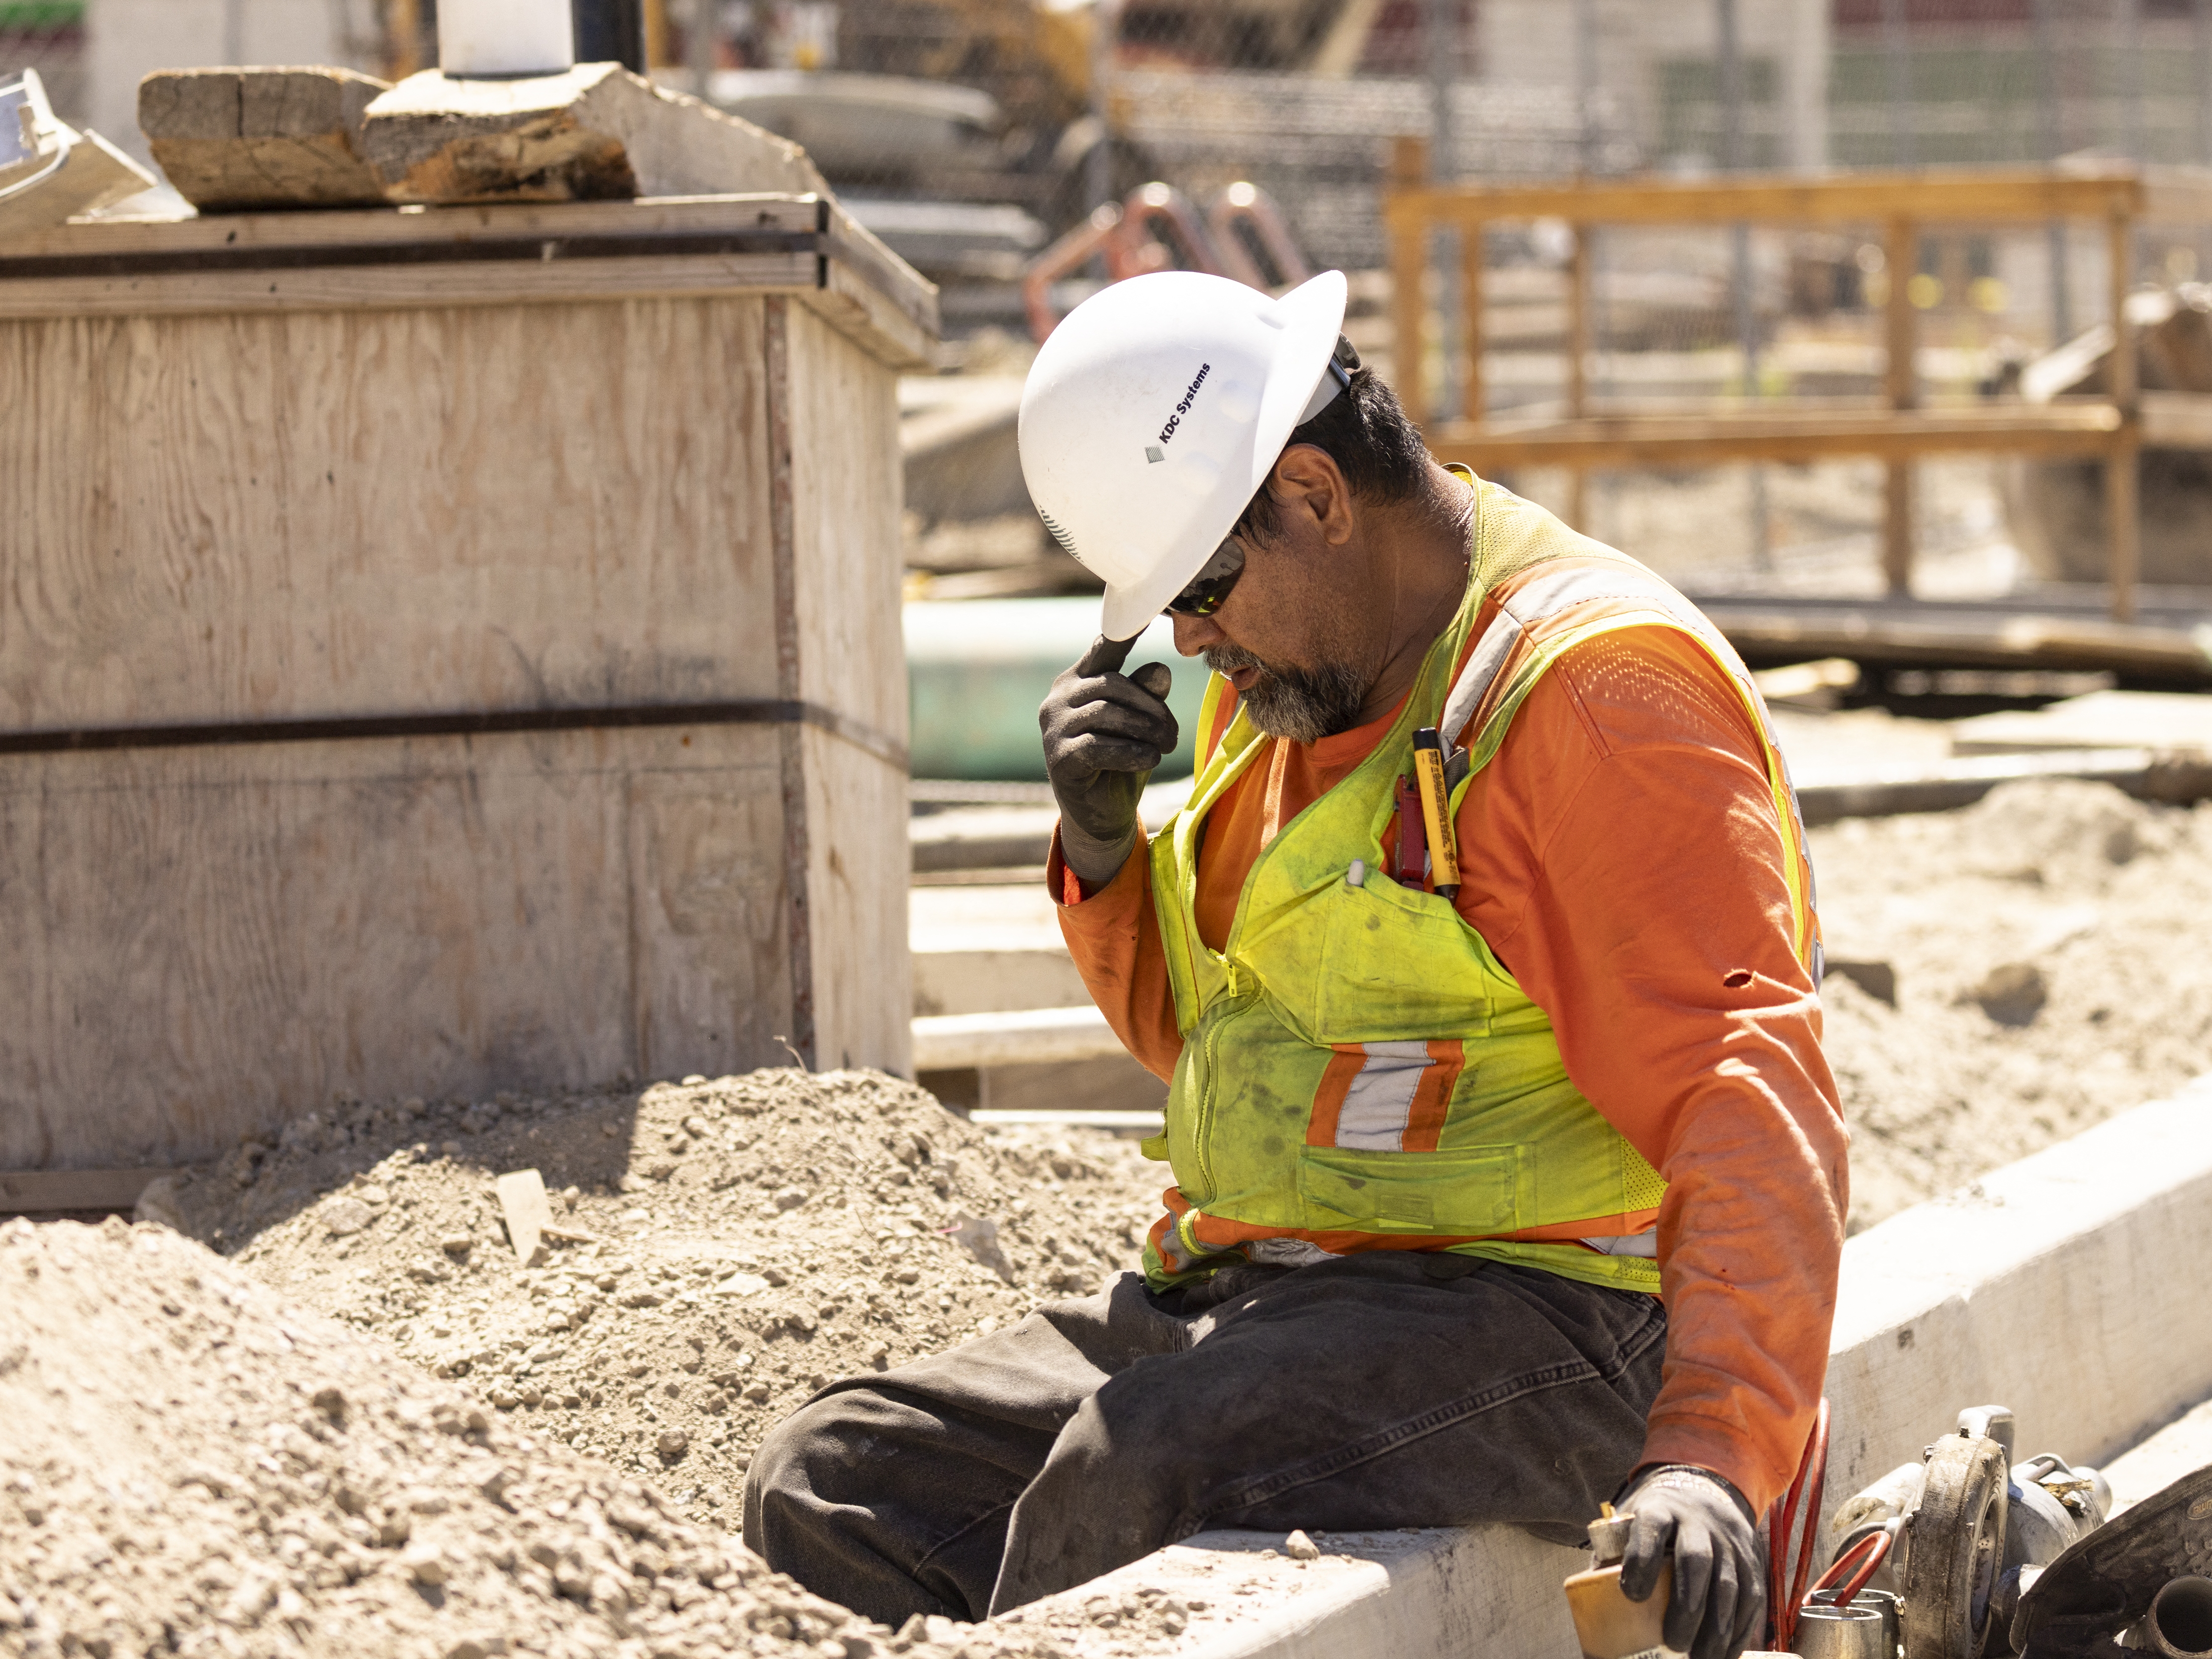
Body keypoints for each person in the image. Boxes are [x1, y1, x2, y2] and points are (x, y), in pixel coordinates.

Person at [745, 270, 1847, 1659]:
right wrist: (1100, 857)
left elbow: (1745, 1081)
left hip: (1554, 1317)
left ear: (1317, 497)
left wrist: (1710, 1451)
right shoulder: (1293, 684)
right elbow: (1226, 1048)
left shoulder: (1591, 696)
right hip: (1276, 1293)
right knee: (839, 1475)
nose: (1190, 637)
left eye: (1202, 587)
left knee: (1134, 1465)